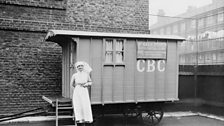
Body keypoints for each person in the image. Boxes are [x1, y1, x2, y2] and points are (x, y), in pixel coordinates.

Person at [70, 61, 93, 126]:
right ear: (77, 68)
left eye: (81, 66)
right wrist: (75, 90)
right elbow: (71, 84)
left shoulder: (86, 74)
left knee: (85, 104)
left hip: (84, 90)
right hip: (77, 91)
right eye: (78, 66)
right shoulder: (74, 75)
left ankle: (86, 118)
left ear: (83, 67)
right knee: (78, 105)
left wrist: (87, 84)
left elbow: (90, 82)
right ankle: (79, 119)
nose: (80, 67)